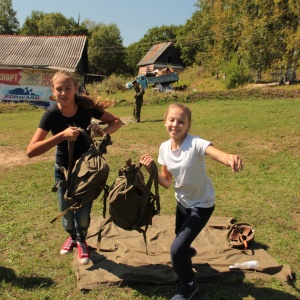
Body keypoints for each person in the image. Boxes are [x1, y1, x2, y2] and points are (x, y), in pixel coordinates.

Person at [140, 103, 243, 300]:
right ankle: (187, 251)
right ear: (165, 122)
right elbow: (167, 182)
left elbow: (217, 154)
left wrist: (230, 158)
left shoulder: (196, 143)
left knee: (176, 250)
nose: (175, 125)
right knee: (181, 240)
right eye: (171, 120)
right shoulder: (163, 148)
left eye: (181, 121)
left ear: (188, 125)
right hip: (182, 203)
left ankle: (188, 284)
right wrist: (151, 169)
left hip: (201, 205)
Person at [26, 70, 123, 265]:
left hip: (86, 171)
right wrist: (61, 136)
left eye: (68, 88)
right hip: (62, 170)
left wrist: (100, 131)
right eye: (59, 89)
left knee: (84, 216)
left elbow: (116, 122)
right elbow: (31, 151)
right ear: (53, 91)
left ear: (75, 88)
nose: (64, 93)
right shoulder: (51, 115)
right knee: (67, 216)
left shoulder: (86, 108)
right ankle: (72, 235)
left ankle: (82, 240)